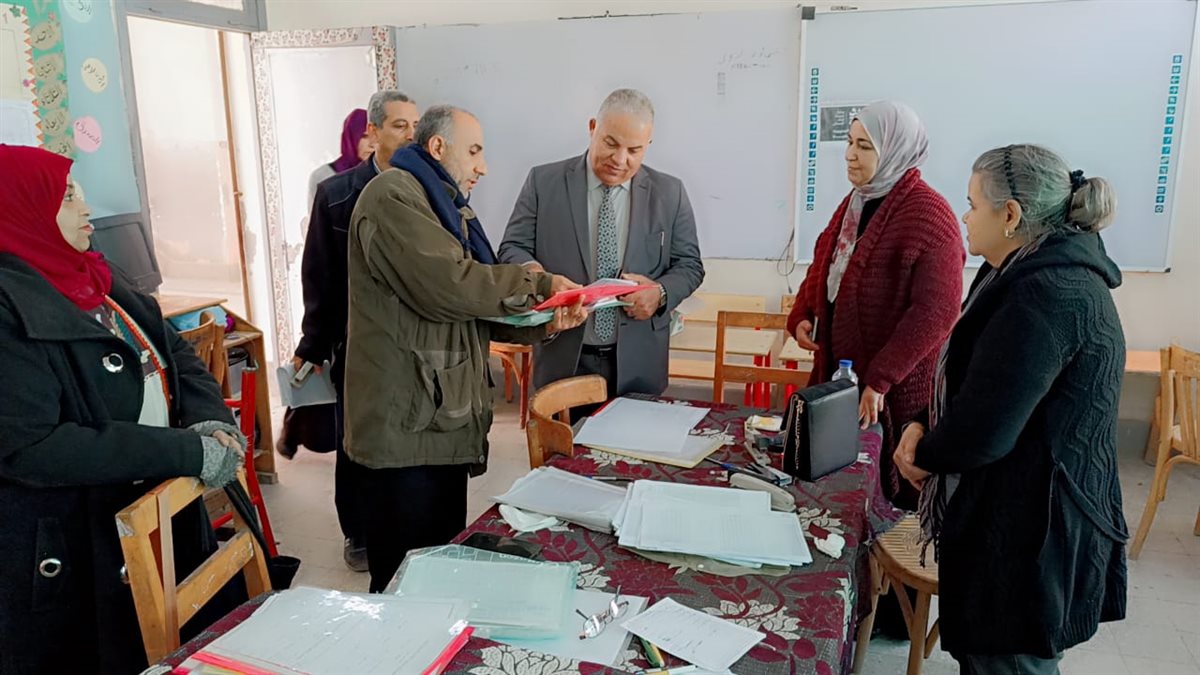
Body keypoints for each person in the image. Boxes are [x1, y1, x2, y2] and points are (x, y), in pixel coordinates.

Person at [0, 144, 247, 673]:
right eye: (68, 197)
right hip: (76, 544)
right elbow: (32, 447)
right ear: (21, 209)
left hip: (157, 509)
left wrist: (206, 419)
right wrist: (183, 451)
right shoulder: (8, 309)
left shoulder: (94, 275)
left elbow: (175, 351)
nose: (87, 209)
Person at [893, 145, 1127, 673]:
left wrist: (921, 452)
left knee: (1011, 662)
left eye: (972, 204)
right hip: (1020, 514)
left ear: (1011, 215)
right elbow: (976, 380)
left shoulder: (1047, 293)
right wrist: (923, 424)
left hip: (1031, 536)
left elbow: (985, 428)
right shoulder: (1018, 271)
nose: (965, 217)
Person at [343, 105, 587, 591]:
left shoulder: (442, 204)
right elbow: (451, 285)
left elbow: (473, 308)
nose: (483, 167)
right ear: (437, 147)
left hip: (438, 415)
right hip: (406, 425)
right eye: (474, 152)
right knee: (403, 584)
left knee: (437, 572)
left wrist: (547, 318)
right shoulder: (394, 195)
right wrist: (536, 285)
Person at [785, 100, 963, 508]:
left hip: (895, 390)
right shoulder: (856, 202)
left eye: (864, 146)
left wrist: (881, 378)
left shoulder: (930, 215)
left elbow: (937, 312)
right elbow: (825, 264)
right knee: (833, 488)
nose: (850, 154)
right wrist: (802, 314)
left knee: (888, 496)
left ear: (895, 151)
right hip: (840, 378)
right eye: (850, 142)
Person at [498, 88, 704, 400]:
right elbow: (512, 247)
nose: (620, 160)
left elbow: (690, 265)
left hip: (639, 360)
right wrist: (538, 278)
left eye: (634, 150)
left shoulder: (669, 193)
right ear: (593, 127)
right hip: (562, 352)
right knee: (562, 434)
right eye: (611, 143)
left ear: (648, 145)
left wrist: (660, 293)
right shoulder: (544, 182)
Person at [291, 90, 420, 572]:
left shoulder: (425, 189)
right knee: (356, 441)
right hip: (357, 344)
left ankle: (404, 523)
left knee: (408, 437)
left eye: (415, 127)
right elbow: (318, 275)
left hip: (412, 342)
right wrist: (313, 343)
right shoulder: (337, 193)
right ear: (373, 131)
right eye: (399, 126)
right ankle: (359, 532)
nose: (409, 136)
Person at [306, 108, 373, 210]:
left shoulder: (381, 174)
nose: (372, 144)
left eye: (375, 136)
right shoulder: (322, 177)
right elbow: (315, 218)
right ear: (350, 138)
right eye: (365, 136)